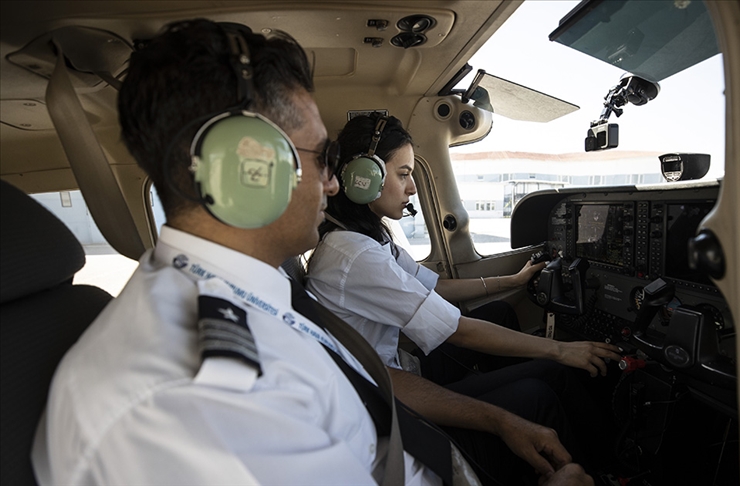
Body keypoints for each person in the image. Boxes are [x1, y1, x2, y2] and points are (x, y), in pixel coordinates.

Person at [34, 19, 592, 486]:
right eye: (321, 157)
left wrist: (496, 420)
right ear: (248, 170)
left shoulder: (259, 289)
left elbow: (373, 380)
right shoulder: (190, 395)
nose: (332, 184)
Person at [305, 114, 624, 473]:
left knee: (500, 314)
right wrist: (561, 350)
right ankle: (606, 471)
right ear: (364, 178)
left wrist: (510, 282)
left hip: (394, 374)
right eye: (404, 174)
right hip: (389, 403)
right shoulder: (356, 255)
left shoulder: (367, 238)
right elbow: (459, 330)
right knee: (548, 381)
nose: (412, 188)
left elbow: (434, 285)